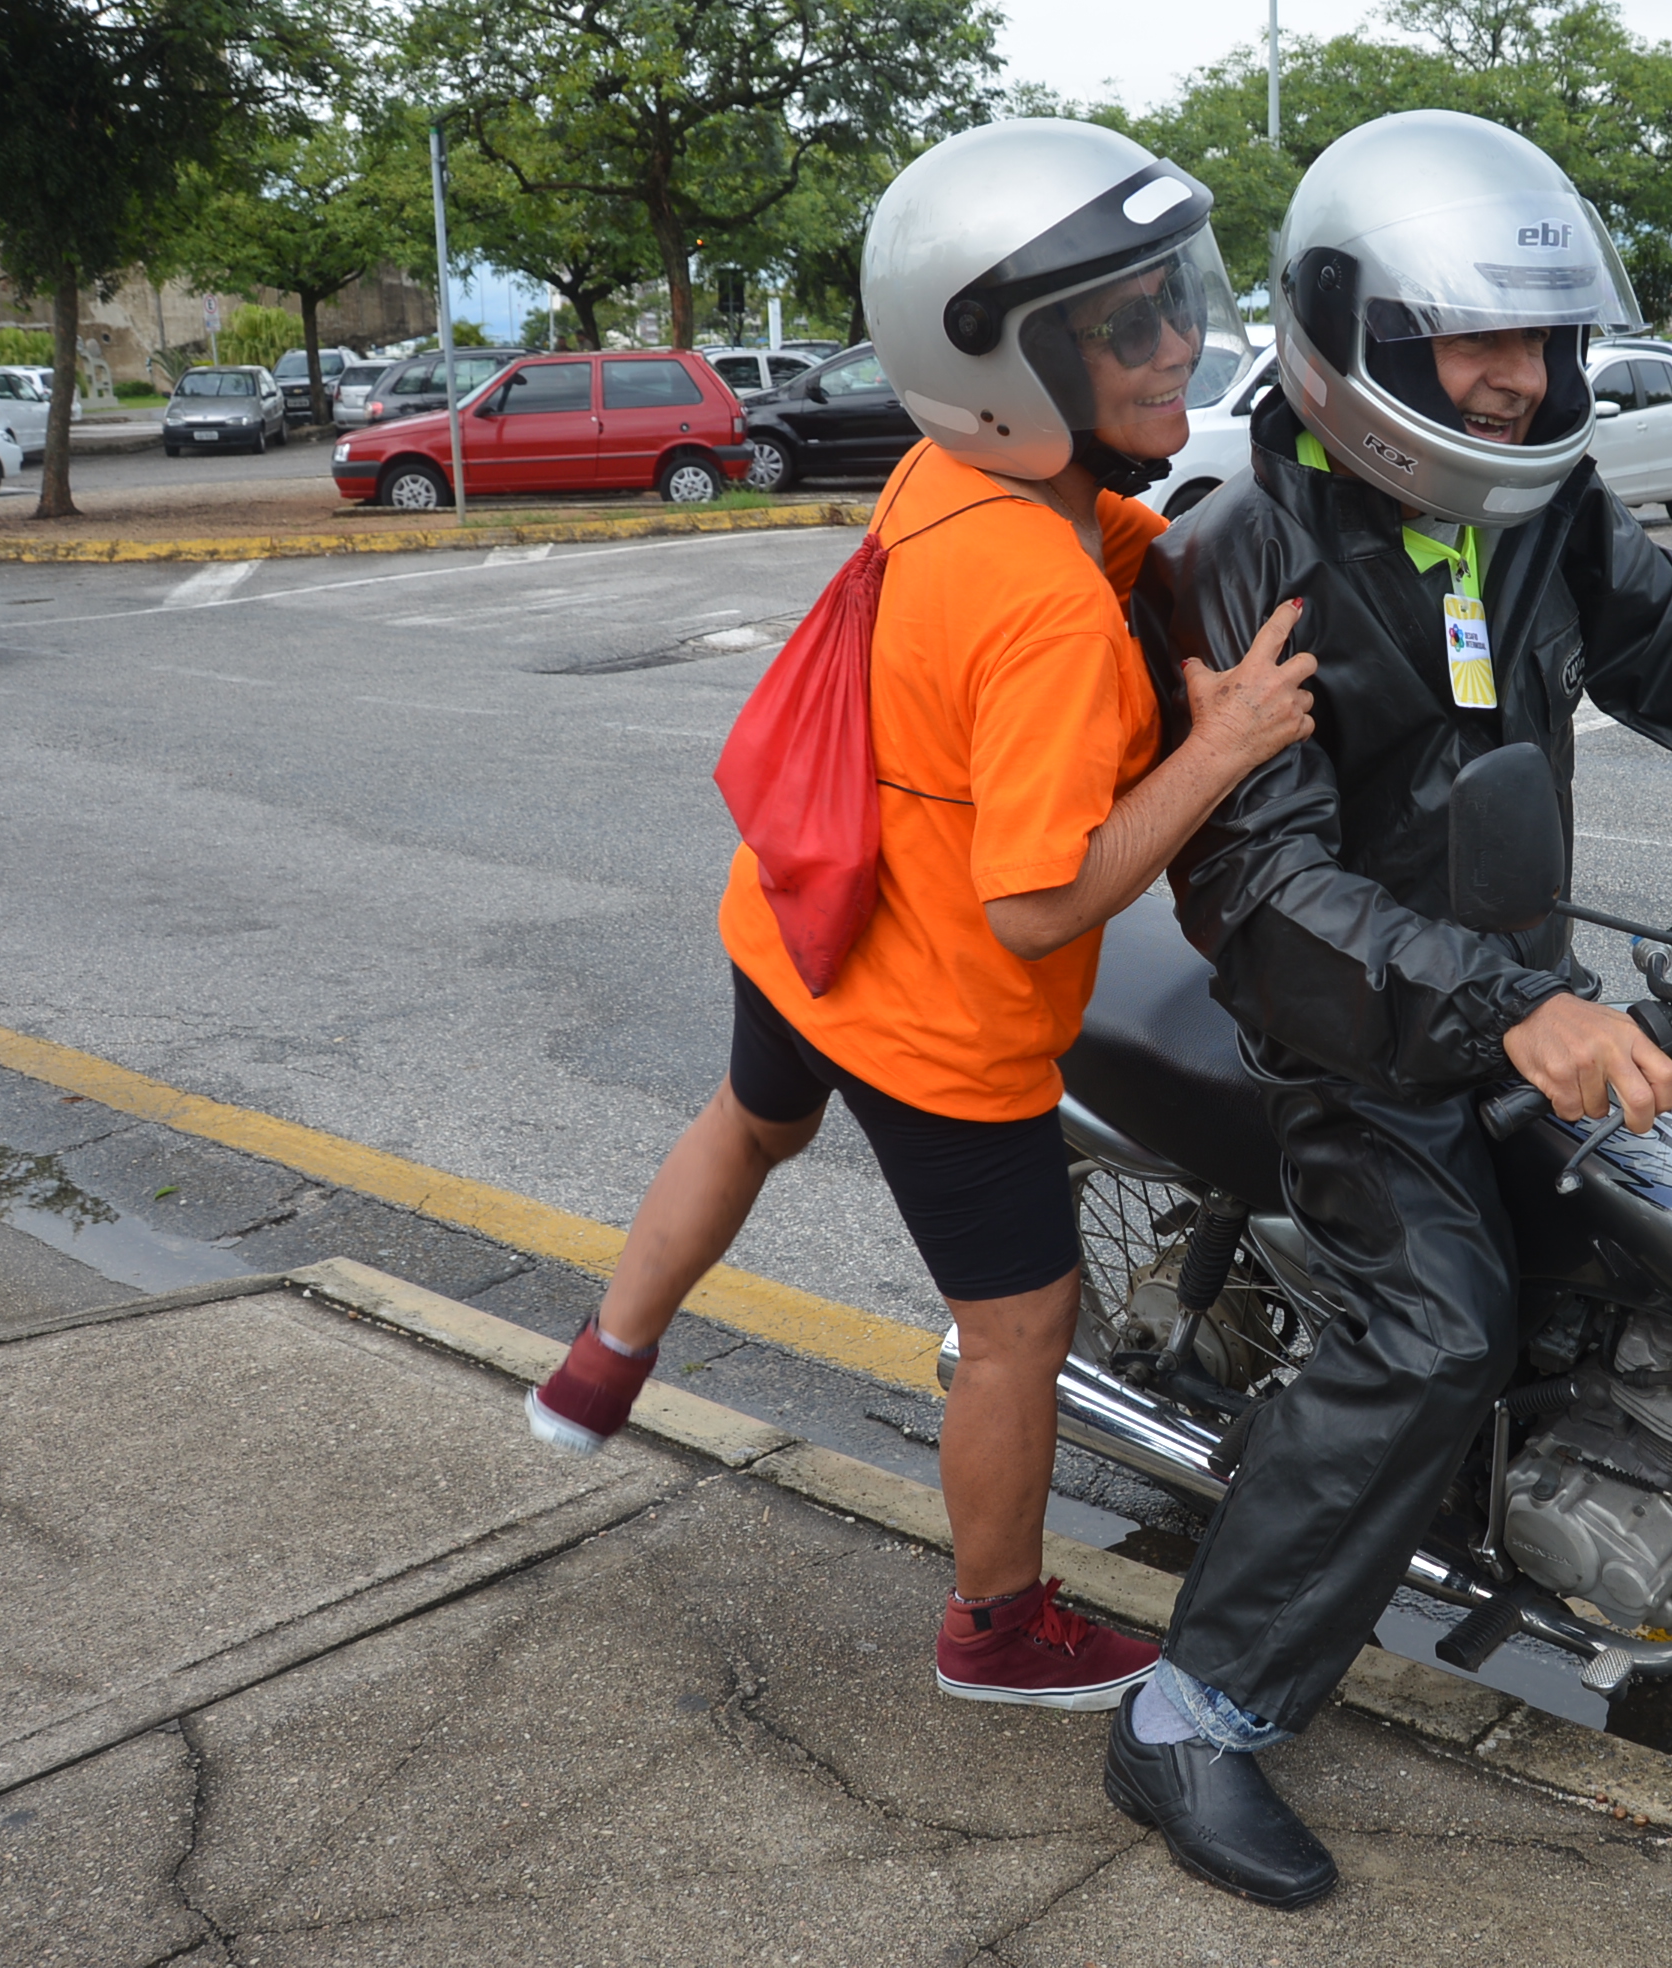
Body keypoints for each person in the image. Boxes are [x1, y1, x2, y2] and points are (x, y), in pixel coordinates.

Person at [1115, 111, 1672, 1909]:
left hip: (1514, 991)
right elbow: (1264, 885)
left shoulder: (1531, 509)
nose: (1520, 380)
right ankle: (1191, 1711)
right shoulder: (1236, 554)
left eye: (1542, 339)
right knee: (1438, 1328)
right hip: (1346, 1039)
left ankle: (1661, 1522)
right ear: (1359, 336)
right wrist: (1504, 1005)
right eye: (1476, 343)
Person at [523, 119, 1317, 1713]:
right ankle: (997, 1630)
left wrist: (1171, 550)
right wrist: (1222, 746)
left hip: (802, 924)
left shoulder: (948, 470)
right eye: (1129, 325)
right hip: (938, 1023)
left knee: (752, 1123)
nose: (1180, 344)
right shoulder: (1048, 614)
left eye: (1176, 299)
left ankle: (602, 1363)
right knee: (1019, 1331)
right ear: (1009, 369)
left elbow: (1077, 545)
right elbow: (1037, 902)